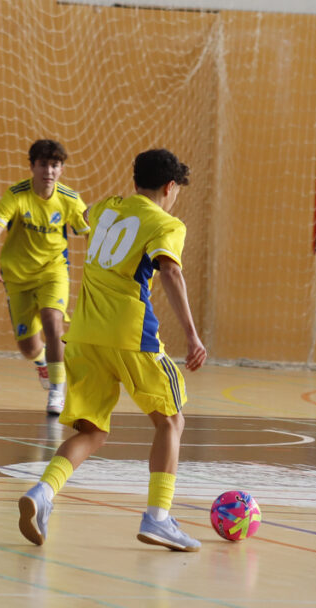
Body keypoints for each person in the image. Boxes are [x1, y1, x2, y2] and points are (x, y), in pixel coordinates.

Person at [17, 148, 207, 551]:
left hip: (84, 335)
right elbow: (170, 271)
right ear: (170, 187)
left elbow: (82, 219)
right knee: (171, 422)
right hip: (130, 335)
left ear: (134, 179)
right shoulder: (166, 222)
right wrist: (192, 334)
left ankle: (42, 493)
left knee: (92, 430)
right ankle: (158, 518)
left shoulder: (105, 208)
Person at [0, 140, 89, 415]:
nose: (49, 171)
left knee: (53, 323)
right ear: (32, 167)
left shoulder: (70, 199)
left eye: (55, 165)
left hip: (53, 271)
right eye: (43, 165)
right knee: (28, 347)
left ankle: (56, 392)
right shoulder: (16, 195)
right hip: (17, 277)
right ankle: (41, 362)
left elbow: (89, 232)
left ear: (61, 169)